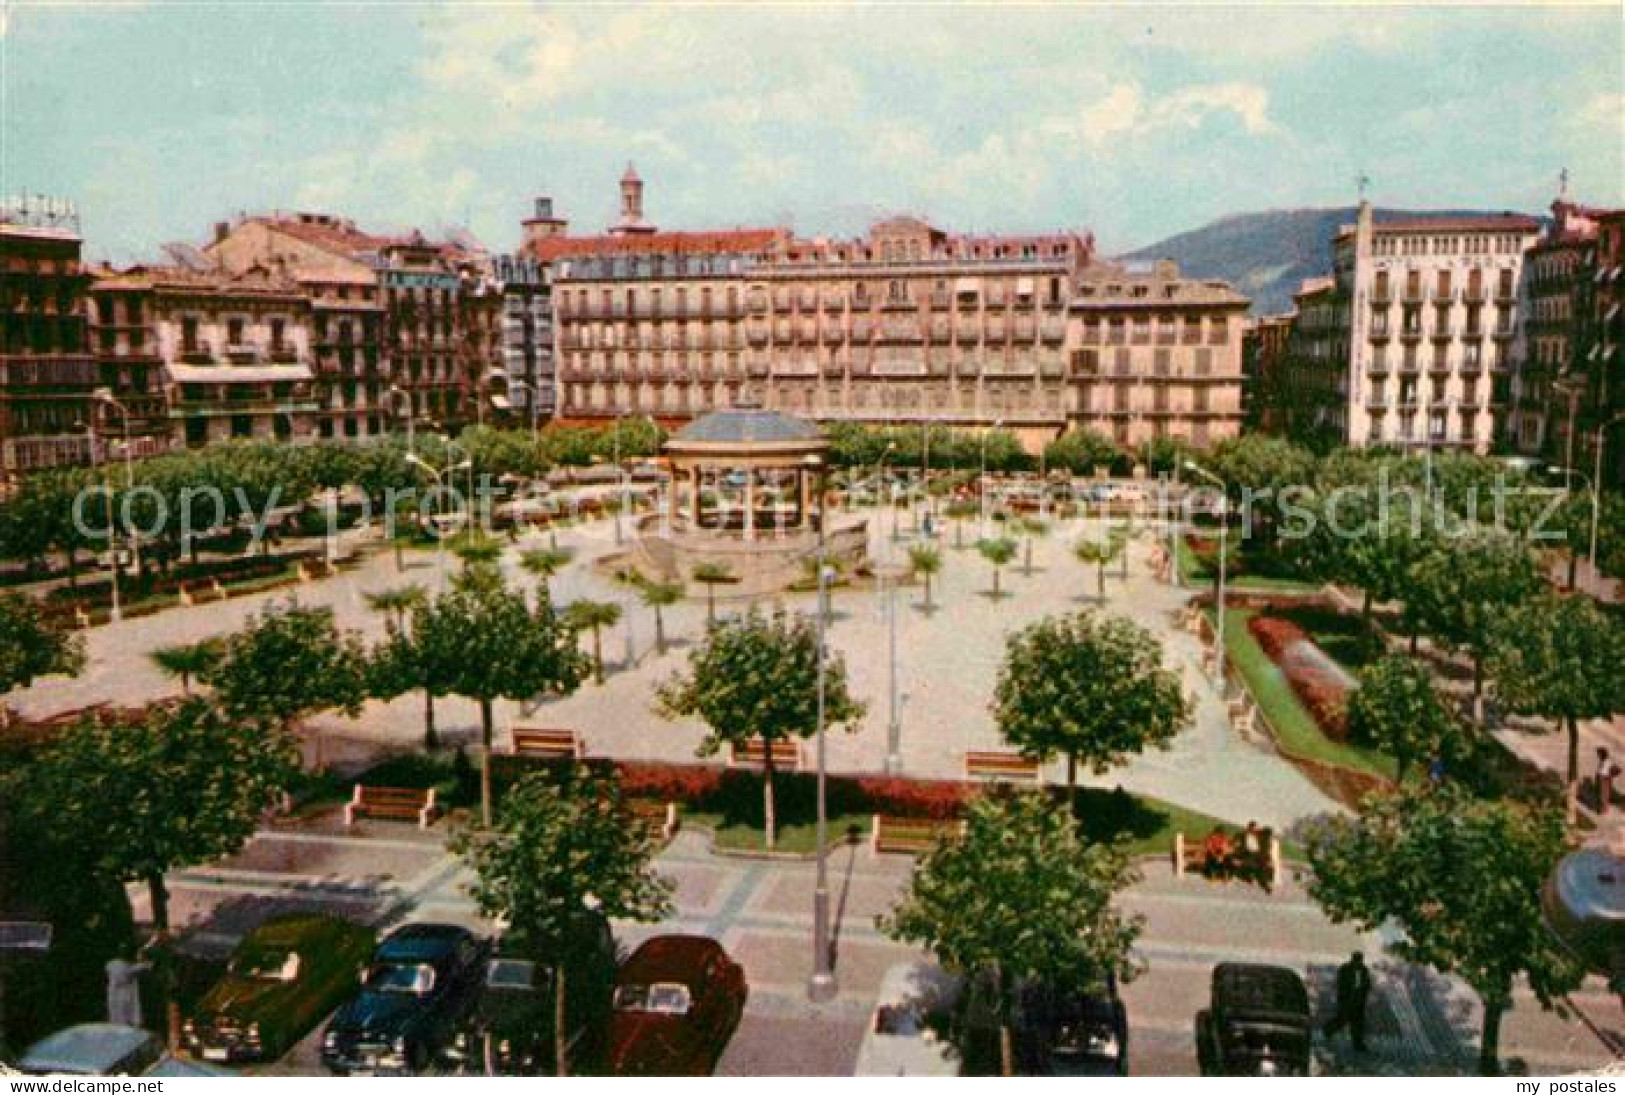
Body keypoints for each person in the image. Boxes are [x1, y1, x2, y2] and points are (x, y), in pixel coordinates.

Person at [1325, 951, 1372, 1052]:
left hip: (1359, 1001)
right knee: (1343, 1019)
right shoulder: (1345, 969)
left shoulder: (1364, 970)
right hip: (1347, 1000)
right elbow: (1340, 983)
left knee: (1358, 1023)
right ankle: (1328, 1030)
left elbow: (1367, 983)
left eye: (1360, 959)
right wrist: (1343, 996)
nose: (1359, 962)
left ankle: (1358, 1043)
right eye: (1357, 959)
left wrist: (1364, 993)